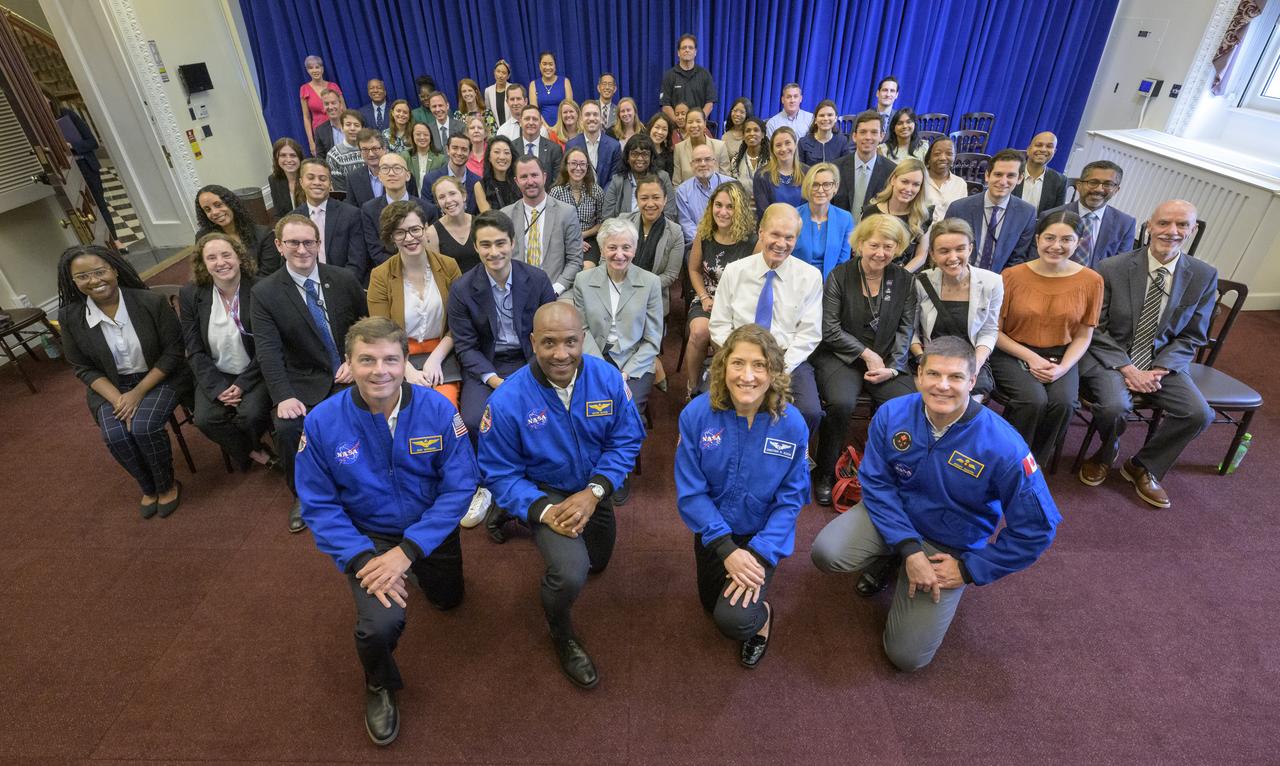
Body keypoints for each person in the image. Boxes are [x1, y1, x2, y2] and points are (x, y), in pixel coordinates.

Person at [810, 335, 1060, 672]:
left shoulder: (1004, 446)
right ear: (918, 376)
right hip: (894, 520)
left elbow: (1037, 528)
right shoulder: (892, 413)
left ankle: (907, 566)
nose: (943, 386)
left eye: (956, 377)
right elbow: (877, 483)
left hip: (947, 545)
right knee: (826, 552)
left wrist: (970, 569)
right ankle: (893, 558)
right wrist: (909, 550)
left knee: (907, 658)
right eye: (933, 375)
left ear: (972, 381)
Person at [295, 316, 477, 747]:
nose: (380, 370)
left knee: (449, 601)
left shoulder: (437, 409)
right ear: (348, 363)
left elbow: (460, 486)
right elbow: (319, 505)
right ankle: (379, 682)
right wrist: (364, 559)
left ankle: (420, 572)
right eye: (367, 359)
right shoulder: (322, 423)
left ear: (405, 362)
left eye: (391, 359)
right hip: (369, 539)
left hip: (427, 530)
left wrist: (410, 550)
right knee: (380, 625)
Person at [477, 301, 645, 689]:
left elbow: (627, 438)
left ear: (583, 339)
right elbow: (498, 471)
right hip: (544, 489)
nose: (561, 354)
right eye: (549, 343)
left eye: (571, 342)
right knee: (571, 573)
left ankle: (512, 511)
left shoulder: (606, 378)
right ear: (533, 342)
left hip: (590, 484)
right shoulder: (507, 400)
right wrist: (542, 509)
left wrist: (596, 490)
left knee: (597, 562)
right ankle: (561, 633)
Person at [676, 325, 808, 667]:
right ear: (723, 367)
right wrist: (725, 549)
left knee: (733, 621)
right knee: (710, 604)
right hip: (714, 531)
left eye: (759, 365)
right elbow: (691, 492)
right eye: (738, 364)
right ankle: (740, 580)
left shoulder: (792, 425)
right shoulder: (696, 415)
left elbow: (791, 500)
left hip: (762, 536)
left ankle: (762, 616)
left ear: (774, 371)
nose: (747, 376)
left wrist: (760, 553)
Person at [1077, 200, 1217, 509]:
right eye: (1165, 223)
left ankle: (1143, 465)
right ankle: (1106, 451)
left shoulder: (1203, 275)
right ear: (1149, 226)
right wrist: (1128, 369)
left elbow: (1193, 335)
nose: (1172, 231)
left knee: (1199, 414)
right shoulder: (1112, 267)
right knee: (1114, 406)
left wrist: (1162, 369)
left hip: (1162, 364)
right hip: (1113, 358)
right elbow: (1096, 329)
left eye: (1182, 225)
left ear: (1193, 230)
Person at [252, 214, 368, 533]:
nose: (302, 249)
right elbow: (268, 351)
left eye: (309, 242)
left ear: (318, 244)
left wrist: (353, 358)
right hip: (301, 380)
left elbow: (364, 326)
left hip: (348, 372)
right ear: (279, 246)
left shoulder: (343, 278)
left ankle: (364, 484)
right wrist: (283, 396)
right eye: (293, 242)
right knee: (288, 429)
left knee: (363, 414)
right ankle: (303, 496)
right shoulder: (265, 293)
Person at [57, 245, 190, 518]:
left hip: (159, 377)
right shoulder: (70, 316)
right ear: (73, 282)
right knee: (114, 435)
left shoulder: (149, 302)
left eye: (99, 271)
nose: (93, 280)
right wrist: (119, 398)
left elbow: (173, 353)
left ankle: (166, 485)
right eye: (83, 277)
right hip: (111, 386)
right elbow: (82, 368)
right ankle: (148, 487)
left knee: (142, 427)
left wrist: (138, 393)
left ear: (114, 270)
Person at [810, 214, 918, 505]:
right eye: (874, 245)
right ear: (859, 244)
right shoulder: (839, 276)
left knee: (907, 403)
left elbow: (907, 329)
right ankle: (825, 472)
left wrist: (894, 368)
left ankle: (890, 473)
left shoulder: (906, 280)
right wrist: (867, 354)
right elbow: (829, 329)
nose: (881, 253)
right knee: (842, 403)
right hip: (840, 357)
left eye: (889, 246)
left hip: (887, 361)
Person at [991, 211, 1102, 467]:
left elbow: (1085, 334)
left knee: (1064, 403)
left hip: (1062, 354)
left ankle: (1033, 463)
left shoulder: (1092, 280)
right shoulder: (1012, 275)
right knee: (1033, 399)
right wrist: (1031, 358)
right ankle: (1007, 459)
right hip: (1014, 350)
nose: (1056, 246)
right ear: (1038, 239)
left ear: (1078, 242)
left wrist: (1063, 367)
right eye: (1049, 238)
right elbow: (995, 331)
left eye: (1066, 239)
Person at [710, 204, 823, 435]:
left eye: (789, 237)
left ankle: (789, 458)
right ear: (761, 233)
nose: (781, 244)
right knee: (710, 404)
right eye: (775, 234)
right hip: (738, 356)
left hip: (787, 358)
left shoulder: (810, 277)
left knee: (810, 411)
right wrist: (741, 359)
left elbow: (809, 333)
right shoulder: (734, 271)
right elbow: (719, 325)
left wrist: (779, 368)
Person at [447, 210, 558, 439]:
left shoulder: (537, 280)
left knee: (540, 416)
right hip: (487, 364)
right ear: (476, 247)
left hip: (531, 360)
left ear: (513, 243)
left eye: (500, 243)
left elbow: (550, 337)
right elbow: (465, 347)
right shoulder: (461, 289)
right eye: (485, 245)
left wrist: (528, 373)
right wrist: (495, 380)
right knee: (475, 420)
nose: (494, 252)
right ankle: (489, 473)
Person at [179, 233, 273, 473]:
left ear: (240, 258)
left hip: (255, 370)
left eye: (226, 255)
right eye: (211, 258)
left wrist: (242, 384)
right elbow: (194, 347)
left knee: (250, 415)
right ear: (204, 265)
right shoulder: (191, 295)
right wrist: (217, 387)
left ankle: (246, 447)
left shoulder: (263, 288)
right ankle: (251, 450)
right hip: (216, 371)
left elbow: (269, 345)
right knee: (205, 419)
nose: (220, 262)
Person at [367, 199, 464, 405]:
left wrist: (436, 358)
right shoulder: (380, 275)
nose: (409, 238)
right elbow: (381, 331)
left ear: (426, 228)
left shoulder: (449, 266)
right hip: (396, 357)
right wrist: (407, 370)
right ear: (392, 237)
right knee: (405, 410)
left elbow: (460, 320)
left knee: (444, 407)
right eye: (400, 232)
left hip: (443, 353)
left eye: (415, 229)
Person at [570, 216, 664, 419]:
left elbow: (652, 340)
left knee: (626, 412)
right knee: (590, 411)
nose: (619, 255)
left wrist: (626, 373)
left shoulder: (650, 283)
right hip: (595, 358)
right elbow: (582, 330)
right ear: (602, 250)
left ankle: (626, 451)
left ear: (635, 250)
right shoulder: (583, 280)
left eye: (626, 248)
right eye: (612, 247)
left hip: (635, 361)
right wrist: (603, 370)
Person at [910, 218, 1003, 401]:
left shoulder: (992, 282)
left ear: (970, 248)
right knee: (929, 401)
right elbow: (909, 331)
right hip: (929, 357)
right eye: (944, 251)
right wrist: (923, 360)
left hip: (970, 359)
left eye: (960, 249)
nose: (953, 257)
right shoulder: (921, 282)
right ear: (933, 255)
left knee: (965, 405)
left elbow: (989, 331)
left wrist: (974, 365)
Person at [684, 181, 757, 399]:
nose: (722, 212)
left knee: (723, 339)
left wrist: (729, 306)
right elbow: (694, 269)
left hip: (737, 304)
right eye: (718, 205)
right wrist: (704, 297)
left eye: (730, 206)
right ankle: (692, 387)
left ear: (740, 209)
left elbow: (755, 283)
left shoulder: (752, 242)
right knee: (699, 331)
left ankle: (720, 389)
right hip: (706, 297)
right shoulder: (705, 233)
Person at [945, 149, 1038, 272]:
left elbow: (1018, 258)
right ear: (987, 175)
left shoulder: (1027, 213)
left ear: (1020, 179)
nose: (1003, 181)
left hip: (1000, 281)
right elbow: (945, 248)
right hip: (959, 274)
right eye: (998, 174)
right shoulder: (959, 208)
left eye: (1011, 175)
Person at [503, 155, 584, 295]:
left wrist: (556, 289)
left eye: (534, 175)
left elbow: (575, 260)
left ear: (544, 177)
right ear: (516, 181)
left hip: (556, 289)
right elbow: (502, 258)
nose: (530, 181)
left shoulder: (566, 212)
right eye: (524, 177)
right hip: (516, 291)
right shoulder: (506, 215)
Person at [57, 102, 127, 252]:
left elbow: (92, 142)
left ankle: (114, 240)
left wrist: (72, 146)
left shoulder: (66, 114)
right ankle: (95, 246)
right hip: (64, 170)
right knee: (78, 209)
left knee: (99, 203)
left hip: (85, 165)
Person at [1041, 160, 1137, 269]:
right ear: (1079, 185)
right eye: (1093, 182)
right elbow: (1038, 260)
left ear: (1116, 190)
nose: (1099, 189)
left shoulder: (1126, 224)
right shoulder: (1050, 216)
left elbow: (1120, 267)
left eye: (1108, 184)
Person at [291, 159, 367, 282]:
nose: (317, 182)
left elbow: (357, 263)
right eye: (310, 178)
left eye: (322, 178)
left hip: (343, 284)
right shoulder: (292, 220)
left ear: (330, 183)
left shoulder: (351, 215)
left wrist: (336, 288)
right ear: (301, 182)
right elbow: (290, 262)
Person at [622, 175, 685, 315]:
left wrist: (640, 286)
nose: (650, 204)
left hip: (653, 298)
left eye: (656, 198)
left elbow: (670, 275)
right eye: (644, 198)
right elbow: (605, 261)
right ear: (637, 200)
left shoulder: (675, 232)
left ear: (665, 199)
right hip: (619, 290)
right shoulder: (622, 222)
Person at [861, 158, 933, 271]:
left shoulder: (923, 215)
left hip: (907, 276)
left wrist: (900, 276)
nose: (909, 189)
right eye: (904, 181)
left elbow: (921, 256)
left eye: (916, 184)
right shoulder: (871, 212)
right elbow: (862, 251)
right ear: (893, 180)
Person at [195, 184, 282, 275]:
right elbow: (203, 272)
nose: (215, 212)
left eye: (218, 205)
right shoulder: (203, 237)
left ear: (231, 204)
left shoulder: (264, 234)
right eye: (207, 209)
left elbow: (268, 275)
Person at [360, 152, 421, 276]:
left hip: (421, 269)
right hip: (388, 273)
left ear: (408, 175)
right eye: (385, 169)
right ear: (380, 176)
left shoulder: (426, 208)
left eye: (397, 168)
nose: (391, 173)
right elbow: (375, 251)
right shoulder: (369, 210)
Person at [793, 163, 854, 279]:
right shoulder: (793, 216)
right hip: (797, 282)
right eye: (815, 185)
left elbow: (843, 263)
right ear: (807, 186)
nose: (820, 190)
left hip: (831, 285)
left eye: (827, 184)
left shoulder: (845, 219)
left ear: (835, 187)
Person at [833, 111, 895, 222]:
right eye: (863, 132)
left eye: (874, 132)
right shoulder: (836, 167)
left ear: (882, 136)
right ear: (854, 136)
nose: (868, 137)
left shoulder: (891, 171)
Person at [601, 133, 678, 220]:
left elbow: (670, 213)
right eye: (635, 154)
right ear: (627, 157)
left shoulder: (663, 177)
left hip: (656, 230)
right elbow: (607, 217)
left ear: (651, 157)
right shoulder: (618, 180)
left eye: (645, 154)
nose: (640, 159)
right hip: (624, 231)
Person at [549, 146, 604, 266]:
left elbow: (601, 222)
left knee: (587, 270)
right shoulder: (556, 192)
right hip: (562, 240)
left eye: (582, 164)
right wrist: (573, 238)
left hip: (589, 240)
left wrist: (581, 236)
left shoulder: (596, 191)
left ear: (587, 167)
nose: (578, 168)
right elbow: (551, 224)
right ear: (566, 166)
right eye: (574, 163)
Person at [676, 143, 735, 246]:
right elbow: (686, 225)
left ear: (714, 162)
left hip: (730, 242)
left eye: (707, 159)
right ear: (691, 165)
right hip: (697, 245)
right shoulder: (682, 192)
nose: (703, 164)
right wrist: (706, 244)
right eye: (698, 160)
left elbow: (739, 218)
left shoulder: (733, 185)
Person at [565, 100, 623, 190]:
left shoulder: (614, 146)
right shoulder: (571, 146)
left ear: (601, 118)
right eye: (587, 114)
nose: (591, 118)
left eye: (595, 114)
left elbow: (614, 178)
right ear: (581, 118)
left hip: (606, 199)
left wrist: (601, 197)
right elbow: (568, 176)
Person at [422, 133, 481, 219]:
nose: (459, 153)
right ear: (447, 150)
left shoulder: (477, 182)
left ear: (470, 153)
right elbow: (427, 214)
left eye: (464, 149)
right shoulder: (431, 179)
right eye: (455, 148)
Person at [661, 34, 717, 122]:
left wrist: (697, 121)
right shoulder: (669, 76)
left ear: (695, 52)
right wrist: (679, 122)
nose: (687, 50)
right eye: (684, 48)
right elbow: (665, 105)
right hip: (676, 128)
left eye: (690, 48)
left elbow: (709, 103)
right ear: (678, 53)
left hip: (698, 127)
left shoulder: (705, 74)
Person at [430, 176, 480, 275]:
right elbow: (437, 273)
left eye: (452, 194)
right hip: (453, 288)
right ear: (438, 203)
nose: (448, 200)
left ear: (463, 195)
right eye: (442, 197)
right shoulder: (432, 233)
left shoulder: (480, 224)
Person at [1012, 132, 1067, 214]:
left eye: (1049, 146)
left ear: (1054, 152)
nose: (1043, 149)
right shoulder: (1011, 172)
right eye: (1038, 145)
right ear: (1028, 149)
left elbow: (1056, 215)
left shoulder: (1060, 181)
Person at [752, 126, 805, 211]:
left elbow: (811, 207)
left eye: (788, 143)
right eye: (778, 145)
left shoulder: (808, 172)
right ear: (772, 149)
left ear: (795, 144)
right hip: (772, 223)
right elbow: (763, 212)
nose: (783, 149)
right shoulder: (761, 175)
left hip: (803, 223)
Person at [672, 108, 731, 185]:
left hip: (716, 195)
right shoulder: (679, 148)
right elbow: (676, 183)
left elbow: (727, 181)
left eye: (698, 121)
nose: (694, 125)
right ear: (686, 125)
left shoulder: (720, 147)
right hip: (687, 196)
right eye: (690, 122)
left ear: (705, 124)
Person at [300, 55, 342, 157]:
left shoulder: (333, 86)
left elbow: (343, 110)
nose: (315, 70)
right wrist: (311, 142)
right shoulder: (304, 89)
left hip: (338, 129)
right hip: (320, 134)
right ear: (307, 70)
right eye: (311, 68)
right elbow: (306, 117)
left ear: (322, 69)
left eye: (317, 67)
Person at [344, 129, 396, 209]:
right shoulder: (353, 178)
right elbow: (352, 212)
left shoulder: (399, 174)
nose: (371, 154)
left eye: (375, 148)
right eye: (365, 150)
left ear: (384, 149)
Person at [514, 104, 564, 181]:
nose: (531, 122)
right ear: (520, 122)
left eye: (535, 119)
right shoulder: (511, 148)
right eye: (527, 119)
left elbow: (557, 181)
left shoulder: (554, 149)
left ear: (541, 124)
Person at [921, 137, 967, 220]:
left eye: (949, 154)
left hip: (949, 231)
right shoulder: (919, 180)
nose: (943, 158)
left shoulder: (960, 184)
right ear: (929, 158)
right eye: (937, 154)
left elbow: (961, 215)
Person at [729, 117, 768, 212]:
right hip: (742, 211)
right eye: (748, 131)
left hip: (767, 210)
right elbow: (733, 190)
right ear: (743, 135)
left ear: (763, 135)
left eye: (756, 130)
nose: (752, 134)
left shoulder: (771, 160)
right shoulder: (735, 161)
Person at [798, 100, 850, 166]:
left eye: (830, 115)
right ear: (815, 120)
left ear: (835, 118)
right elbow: (800, 170)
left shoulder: (843, 141)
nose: (825, 118)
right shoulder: (803, 142)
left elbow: (846, 168)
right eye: (822, 115)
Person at [326, 109, 367, 192]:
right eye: (348, 125)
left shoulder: (370, 151)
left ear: (363, 129)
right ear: (341, 128)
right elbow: (340, 190)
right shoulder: (334, 155)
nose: (352, 128)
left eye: (356, 125)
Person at [477, 135, 519, 212]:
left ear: (512, 157)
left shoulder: (519, 182)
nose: (502, 157)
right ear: (489, 157)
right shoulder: (480, 186)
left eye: (506, 153)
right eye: (497, 152)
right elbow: (489, 217)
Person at [529, 52, 573, 126]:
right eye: (544, 64)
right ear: (540, 66)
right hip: (541, 127)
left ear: (555, 66)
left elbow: (569, 108)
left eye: (551, 64)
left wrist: (558, 127)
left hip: (563, 126)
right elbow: (534, 111)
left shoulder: (565, 81)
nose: (548, 67)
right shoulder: (533, 84)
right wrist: (547, 128)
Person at [268, 137, 305, 220]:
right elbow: (278, 213)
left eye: (293, 155)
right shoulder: (274, 180)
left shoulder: (308, 177)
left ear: (300, 158)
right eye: (283, 155)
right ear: (276, 159)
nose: (288, 160)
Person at [406, 122, 445, 193]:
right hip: (411, 200)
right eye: (418, 134)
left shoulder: (440, 159)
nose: (422, 137)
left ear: (431, 137)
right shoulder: (405, 156)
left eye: (426, 134)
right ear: (412, 136)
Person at [313, 88, 345, 161]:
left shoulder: (354, 123)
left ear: (341, 105)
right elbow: (320, 159)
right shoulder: (320, 131)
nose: (330, 107)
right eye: (326, 104)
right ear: (323, 107)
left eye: (333, 103)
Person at [484, 59, 513, 127]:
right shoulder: (488, 91)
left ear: (508, 76)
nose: (500, 75)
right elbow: (489, 113)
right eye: (498, 71)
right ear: (494, 72)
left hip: (512, 128)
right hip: (497, 130)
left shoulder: (513, 88)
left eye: (504, 73)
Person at [648, 113, 677, 179]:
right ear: (650, 128)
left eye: (664, 129)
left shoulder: (669, 155)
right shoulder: (640, 149)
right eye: (657, 127)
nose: (660, 132)